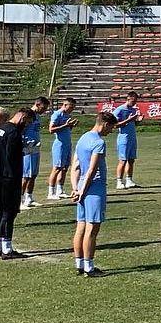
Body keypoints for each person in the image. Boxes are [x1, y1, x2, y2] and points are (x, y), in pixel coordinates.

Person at [72, 111, 117, 277]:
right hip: (94, 188)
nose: (111, 131)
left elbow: (75, 166)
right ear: (105, 124)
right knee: (92, 229)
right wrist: (83, 192)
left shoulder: (83, 138)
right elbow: (92, 169)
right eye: (111, 128)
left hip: (82, 185)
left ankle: (79, 264)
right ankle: (89, 268)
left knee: (81, 227)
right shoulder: (99, 142)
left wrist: (76, 188)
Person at [0, 109, 34, 260]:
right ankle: (7, 250)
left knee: (0, 211)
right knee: (9, 213)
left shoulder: (0, 129)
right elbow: (13, 154)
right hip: (11, 177)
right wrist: (27, 150)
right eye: (27, 122)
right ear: (23, 117)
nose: (26, 126)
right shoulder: (14, 133)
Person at [19, 97, 49, 208]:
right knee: (26, 175)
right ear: (37, 104)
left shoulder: (37, 117)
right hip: (27, 148)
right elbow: (20, 130)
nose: (44, 110)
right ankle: (19, 200)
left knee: (33, 174)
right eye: (43, 108)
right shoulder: (27, 115)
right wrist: (25, 143)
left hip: (35, 148)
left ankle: (29, 198)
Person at [46, 98, 78, 200]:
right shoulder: (57, 114)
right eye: (71, 106)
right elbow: (51, 129)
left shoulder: (68, 115)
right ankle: (51, 191)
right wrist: (65, 125)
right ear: (65, 105)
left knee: (65, 167)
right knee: (57, 168)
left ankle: (60, 190)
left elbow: (67, 128)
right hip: (59, 144)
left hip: (67, 144)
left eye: (74, 107)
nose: (72, 109)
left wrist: (71, 126)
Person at [112, 92, 143, 189]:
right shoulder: (120, 110)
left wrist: (138, 121)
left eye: (136, 101)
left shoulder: (133, 110)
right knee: (123, 160)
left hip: (132, 137)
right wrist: (129, 120)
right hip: (123, 138)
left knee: (131, 160)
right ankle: (119, 181)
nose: (134, 103)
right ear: (128, 98)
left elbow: (133, 123)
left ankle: (129, 180)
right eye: (133, 101)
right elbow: (115, 125)